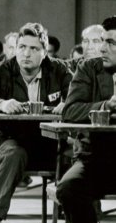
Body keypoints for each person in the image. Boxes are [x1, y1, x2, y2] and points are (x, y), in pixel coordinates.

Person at [0, 23, 72, 223]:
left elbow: (78, 96)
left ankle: (76, 214)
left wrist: (67, 104)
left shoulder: (58, 70)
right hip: (6, 141)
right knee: (14, 153)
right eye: (22, 47)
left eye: (34, 48)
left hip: (48, 144)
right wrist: (0, 104)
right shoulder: (0, 70)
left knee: (75, 154)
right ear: (15, 48)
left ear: (44, 52)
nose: (26, 53)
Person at [55, 15, 116, 223]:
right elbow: (70, 111)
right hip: (95, 158)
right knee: (68, 188)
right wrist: (106, 105)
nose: (102, 49)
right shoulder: (89, 69)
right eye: (103, 41)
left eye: (111, 43)